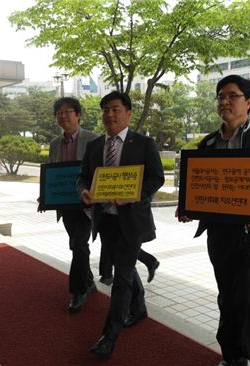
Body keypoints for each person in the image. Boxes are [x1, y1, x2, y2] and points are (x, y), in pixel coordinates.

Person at [176, 75, 250, 366]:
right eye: (220, 96)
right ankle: (232, 356)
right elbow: (202, 189)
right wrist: (189, 208)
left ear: (248, 102)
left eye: (232, 96)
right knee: (227, 298)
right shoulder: (208, 144)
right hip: (220, 237)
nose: (224, 101)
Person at [78, 91, 165, 358]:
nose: (110, 114)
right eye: (105, 109)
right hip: (105, 220)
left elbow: (157, 178)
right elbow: (83, 178)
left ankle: (110, 336)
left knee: (121, 277)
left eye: (115, 109)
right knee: (122, 267)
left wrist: (134, 194)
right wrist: (83, 191)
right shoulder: (94, 146)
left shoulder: (144, 144)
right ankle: (139, 310)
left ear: (128, 113)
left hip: (132, 220)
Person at [41, 97, 99, 313]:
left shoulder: (93, 140)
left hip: (86, 204)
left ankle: (78, 291)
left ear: (78, 115)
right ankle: (90, 281)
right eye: (59, 113)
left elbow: (98, 172)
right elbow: (53, 175)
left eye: (68, 112)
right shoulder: (55, 144)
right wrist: (44, 197)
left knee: (78, 245)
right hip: (66, 206)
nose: (63, 116)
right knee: (78, 245)